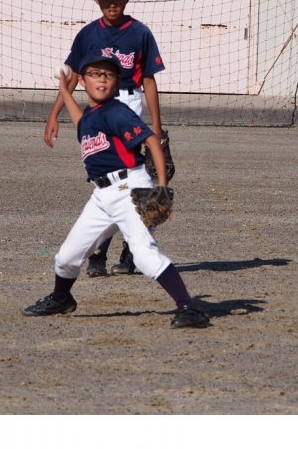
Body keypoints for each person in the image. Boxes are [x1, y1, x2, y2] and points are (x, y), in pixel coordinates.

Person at [24, 53, 208, 328]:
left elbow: (152, 142)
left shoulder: (117, 112)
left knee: (144, 256)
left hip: (130, 189)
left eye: (109, 75)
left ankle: (189, 308)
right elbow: (80, 122)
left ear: (117, 82)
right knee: (66, 258)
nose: (102, 79)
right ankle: (61, 299)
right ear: (83, 81)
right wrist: (64, 91)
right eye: (95, 74)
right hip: (101, 197)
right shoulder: (90, 116)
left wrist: (161, 185)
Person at [44, 0, 166, 277]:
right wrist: (54, 114)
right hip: (97, 106)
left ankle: (132, 250)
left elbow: (148, 80)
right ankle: (99, 252)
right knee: (106, 170)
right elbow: (73, 76)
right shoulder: (88, 34)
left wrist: (156, 125)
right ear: (97, 0)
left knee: (131, 174)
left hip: (129, 103)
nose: (112, 3)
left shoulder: (140, 32)